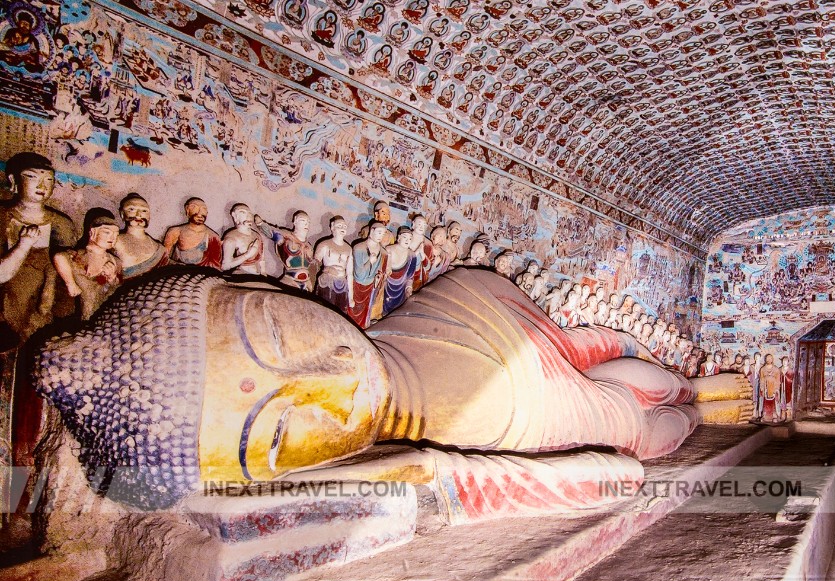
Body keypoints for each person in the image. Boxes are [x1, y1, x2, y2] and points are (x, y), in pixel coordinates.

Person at [33, 267, 698, 509]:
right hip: (513, 415)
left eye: (277, 334)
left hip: (466, 311)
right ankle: (686, 405)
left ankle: (677, 385)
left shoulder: (450, 293)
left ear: (264, 289)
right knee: (638, 420)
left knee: (610, 356)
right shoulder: (445, 446)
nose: (329, 380)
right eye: (279, 428)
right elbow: (603, 476)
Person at [0, 152, 76, 345]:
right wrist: (23, 245)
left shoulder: (62, 224)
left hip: (41, 306)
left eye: (48, 179)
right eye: (32, 177)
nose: (42, 186)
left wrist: (49, 295)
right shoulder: (2, 216)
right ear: (13, 180)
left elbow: (62, 270)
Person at [53, 212, 123, 320]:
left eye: (116, 235)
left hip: (102, 312)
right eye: (107, 233)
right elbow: (59, 257)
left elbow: (118, 288)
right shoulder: (77, 256)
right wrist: (70, 284)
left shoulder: (115, 262)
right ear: (92, 233)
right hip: (73, 310)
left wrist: (111, 278)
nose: (112, 238)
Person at [255, 211, 315, 291]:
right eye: (302, 221)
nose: (306, 224)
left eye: (308, 222)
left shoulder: (309, 246)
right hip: (290, 281)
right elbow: (270, 232)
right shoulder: (286, 238)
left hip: (307, 283)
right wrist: (260, 223)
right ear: (295, 222)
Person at [114, 193, 168, 279]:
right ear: (122, 214)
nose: (139, 215)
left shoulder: (159, 248)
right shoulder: (114, 241)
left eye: (144, 211)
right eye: (132, 209)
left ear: (149, 216)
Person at [348, 221, 388, 328]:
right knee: (353, 313)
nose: (381, 236)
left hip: (371, 287)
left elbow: (381, 271)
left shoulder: (383, 252)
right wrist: (370, 261)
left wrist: (378, 277)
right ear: (372, 231)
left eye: (383, 234)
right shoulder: (359, 248)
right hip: (357, 287)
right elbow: (359, 274)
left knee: (367, 313)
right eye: (379, 232)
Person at [162, 197, 222, 269]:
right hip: (179, 272)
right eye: (194, 207)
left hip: (203, 274)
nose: (200, 213)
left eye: (204, 209)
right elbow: (164, 259)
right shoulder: (176, 231)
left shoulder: (213, 236)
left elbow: (215, 265)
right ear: (187, 210)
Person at [314, 216, 354, 313]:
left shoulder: (349, 249)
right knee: (325, 311)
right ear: (332, 227)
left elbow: (349, 273)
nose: (342, 228)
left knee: (340, 314)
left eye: (344, 226)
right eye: (339, 226)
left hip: (342, 284)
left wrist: (351, 297)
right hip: (327, 282)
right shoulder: (324, 244)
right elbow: (314, 265)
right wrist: (326, 269)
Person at [220, 203, 266, 275]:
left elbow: (262, 259)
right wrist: (247, 255)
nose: (249, 216)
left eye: (250, 213)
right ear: (235, 216)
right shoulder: (231, 237)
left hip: (258, 275)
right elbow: (225, 266)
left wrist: (263, 272)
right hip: (242, 275)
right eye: (243, 213)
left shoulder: (257, 235)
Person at [382, 226, 418, 314]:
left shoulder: (412, 255)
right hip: (386, 286)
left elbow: (410, 276)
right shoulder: (389, 250)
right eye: (404, 237)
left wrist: (408, 289)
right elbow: (383, 270)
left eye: (410, 239)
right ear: (398, 238)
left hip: (401, 289)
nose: (407, 240)